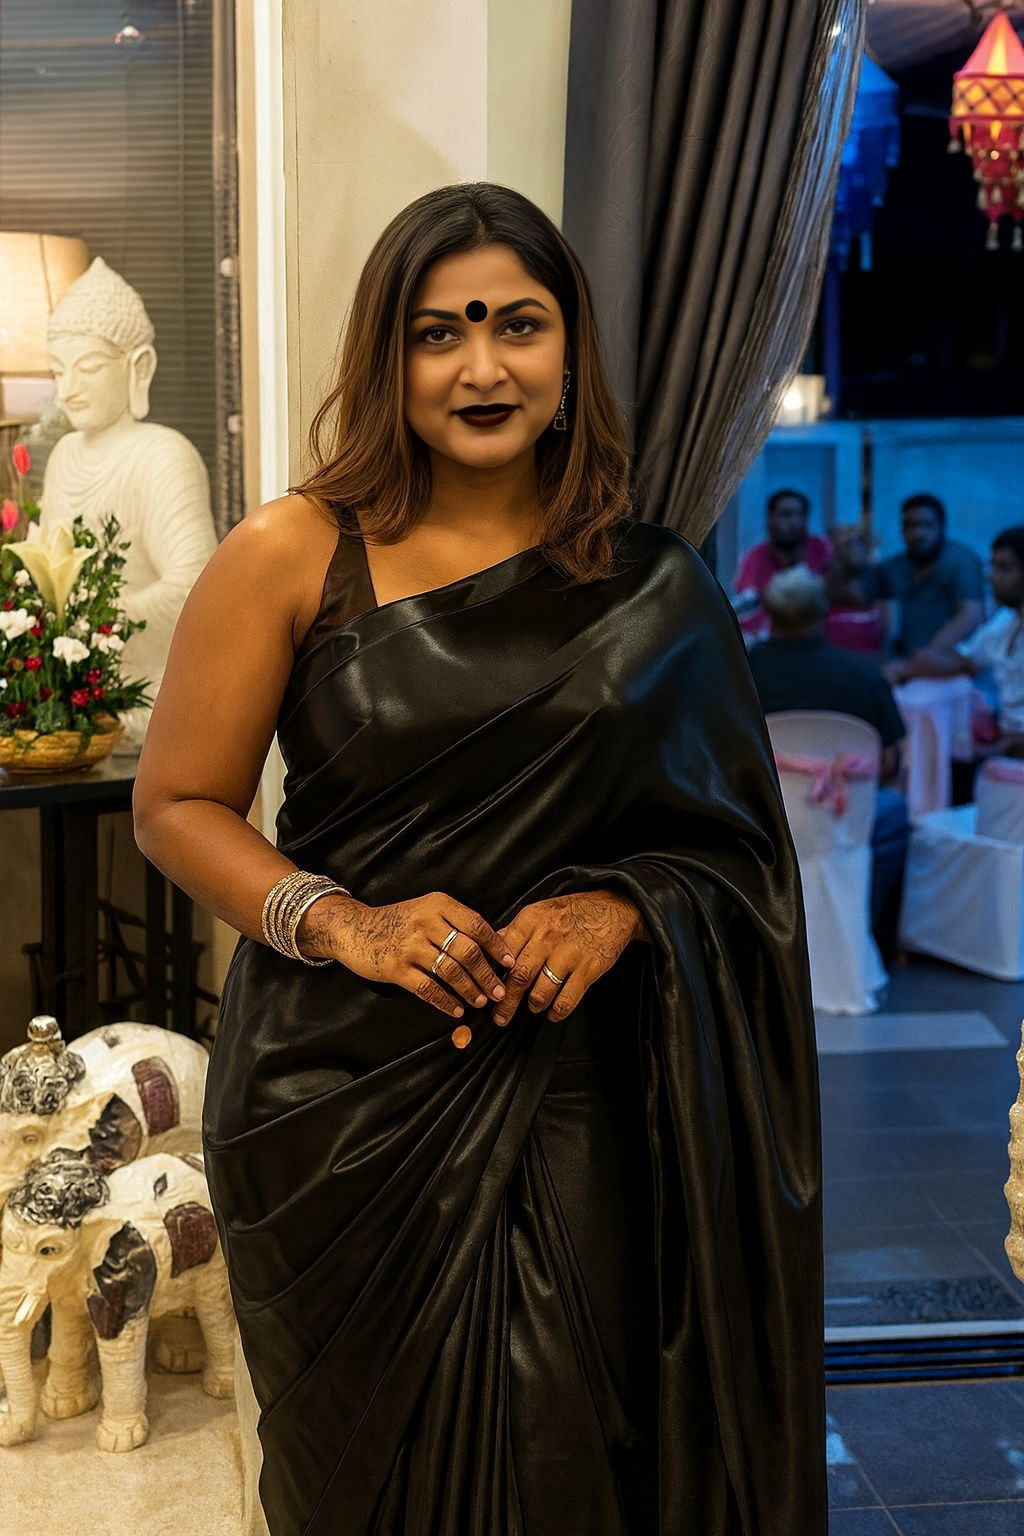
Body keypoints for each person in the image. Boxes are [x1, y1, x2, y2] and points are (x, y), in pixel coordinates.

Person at [133, 183, 825, 1536]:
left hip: (582, 1100)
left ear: (569, 353)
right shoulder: (293, 551)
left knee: (575, 1466)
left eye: (518, 324)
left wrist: (626, 908)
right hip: (335, 1105)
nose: (481, 366)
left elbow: (739, 856)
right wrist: (348, 923)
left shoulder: (655, 584)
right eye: (438, 332)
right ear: (387, 359)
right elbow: (177, 805)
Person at [747, 567, 908, 957]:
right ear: (823, 611)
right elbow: (891, 762)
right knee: (895, 813)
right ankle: (867, 939)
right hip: (842, 819)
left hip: (762, 819)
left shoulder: (741, 672)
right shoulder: (864, 676)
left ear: (770, 612)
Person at [890, 525, 1024, 762]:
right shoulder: (1005, 623)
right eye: (992, 567)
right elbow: (964, 660)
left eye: (1004, 568)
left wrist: (1002, 747)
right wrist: (905, 668)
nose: (991, 576)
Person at [860, 493, 984, 661]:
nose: (918, 533)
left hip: (949, 661)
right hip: (901, 659)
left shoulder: (961, 561)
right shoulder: (894, 567)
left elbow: (971, 614)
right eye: (910, 525)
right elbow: (860, 598)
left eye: (926, 525)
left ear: (941, 526)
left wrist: (928, 656)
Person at [733, 487, 832, 640]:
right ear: (770, 520)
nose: (794, 522)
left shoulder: (823, 549)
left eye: (800, 515)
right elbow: (747, 613)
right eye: (786, 515)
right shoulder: (754, 558)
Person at [823, 522, 887, 659]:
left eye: (859, 543)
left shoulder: (879, 581)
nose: (853, 550)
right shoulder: (827, 583)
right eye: (847, 545)